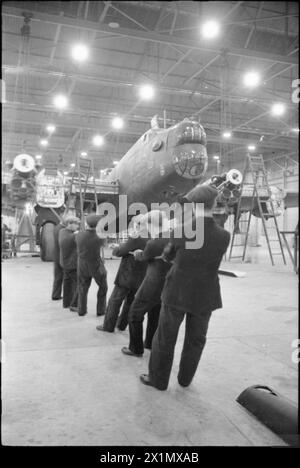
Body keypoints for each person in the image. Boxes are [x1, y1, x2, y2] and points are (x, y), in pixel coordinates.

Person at [140, 185, 230, 390]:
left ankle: (158, 380)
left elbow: (167, 257)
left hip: (177, 292)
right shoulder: (224, 236)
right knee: (196, 339)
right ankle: (185, 379)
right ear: (213, 204)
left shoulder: (180, 231)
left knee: (165, 337)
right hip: (206, 294)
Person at [121, 210, 173, 357]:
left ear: (152, 224)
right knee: (155, 313)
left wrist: (139, 254)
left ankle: (135, 348)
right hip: (166, 284)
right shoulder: (174, 238)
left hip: (152, 283)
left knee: (134, 313)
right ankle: (149, 342)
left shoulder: (154, 242)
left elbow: (145, 256)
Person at [96, 215, 148, 332]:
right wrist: (122, 247)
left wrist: (116, 248)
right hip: (141, 275)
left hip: (127, 274)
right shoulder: (151, 236)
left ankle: (108, 326)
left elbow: (120, 252)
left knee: (115, 300)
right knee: (129, 301)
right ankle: (121, 324)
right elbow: (129, 249)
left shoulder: (137, 236)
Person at [76, 214, 107, 316]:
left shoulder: (79, 234)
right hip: (95, 264)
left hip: (82, 264)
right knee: (103, 286)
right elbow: (104, 245)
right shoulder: (100, 236)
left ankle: (81, 310)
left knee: (82, 287)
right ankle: (101, 310)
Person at [59, 216, 80, 311]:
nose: (77, 226)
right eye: (76, 224)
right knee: (80, 283)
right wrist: (75, 235)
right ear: (69, 224)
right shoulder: (65, 233)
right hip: (70, 264)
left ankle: (66, 303)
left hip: (66, 262)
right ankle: (74, 305)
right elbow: (65, 242)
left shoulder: (64, 232)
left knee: (67, 283)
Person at [51, 217, 66, 300]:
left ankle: (55, 295)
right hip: (61, 256)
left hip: (56, 255)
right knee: (64, 277)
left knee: (58, 276)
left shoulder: (56, 227)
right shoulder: (62, 230)